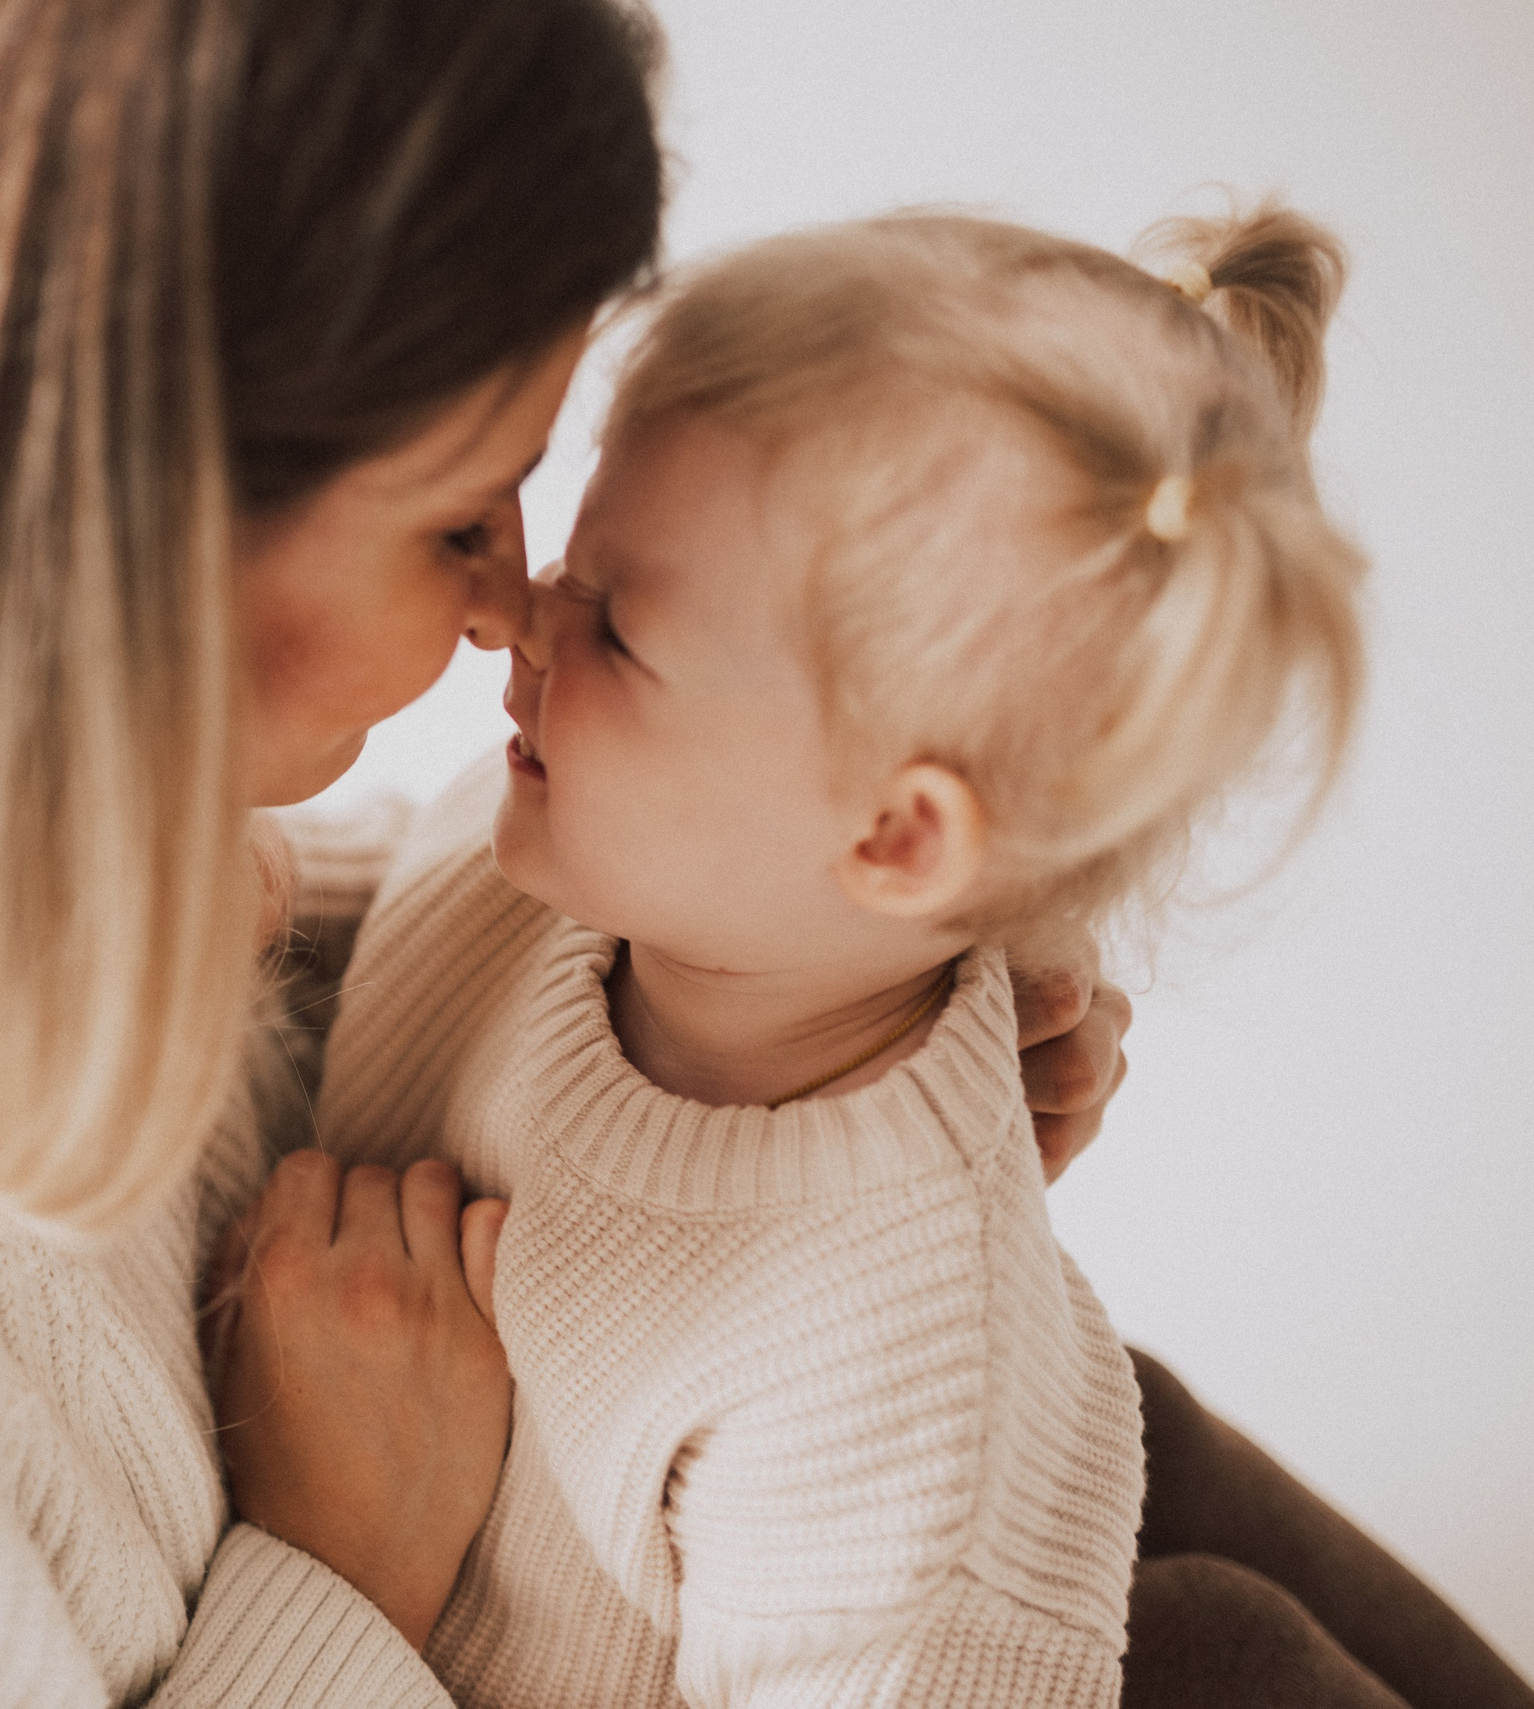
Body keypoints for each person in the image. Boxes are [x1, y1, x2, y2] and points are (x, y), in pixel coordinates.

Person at [0, 1, 1139, 1705]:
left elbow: (285, 937)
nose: (509, 598)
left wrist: (794, 996)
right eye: (457, 517)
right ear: (123, 526)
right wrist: (339, 1571)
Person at [283, 204, 1534, 1709]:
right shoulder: (604, 856)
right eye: (578, 554)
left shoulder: (883, 1395)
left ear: (893, 838)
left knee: (1232, 1652)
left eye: (620, 628)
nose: (526, 620)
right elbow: (392, 913)